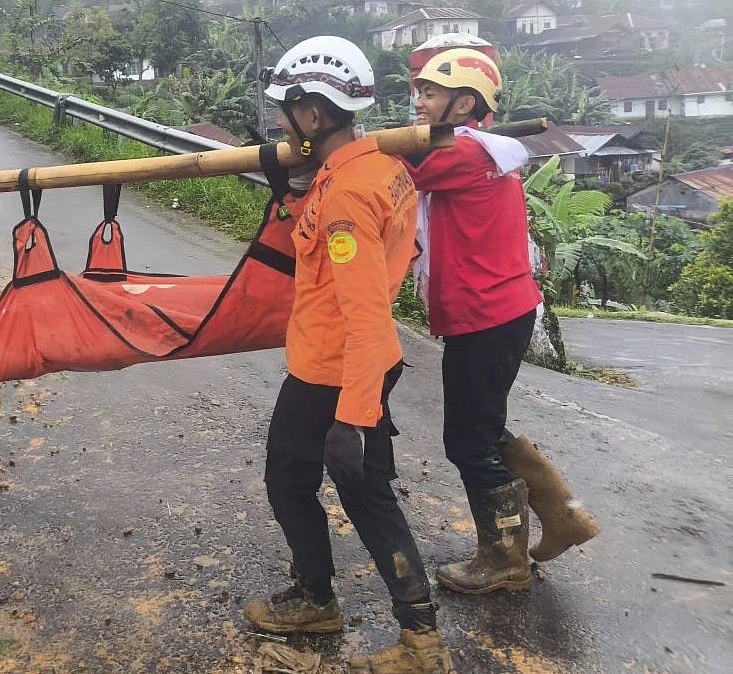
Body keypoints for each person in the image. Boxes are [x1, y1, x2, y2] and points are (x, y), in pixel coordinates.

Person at [244, 36, 453, 673]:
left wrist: (353, 417)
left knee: (336, 487)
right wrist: (290, 191)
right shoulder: (377, 169)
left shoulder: (347, 199)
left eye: (288, 108)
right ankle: (364, 613)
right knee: (328, 483)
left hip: (336, 369)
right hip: (345, 362)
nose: (280, 120)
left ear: (314, 116)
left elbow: (364, 313)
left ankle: (378, 626)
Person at [403, 49, 600, 594]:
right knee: (484, 429)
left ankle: (504, 557)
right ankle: (564, 515)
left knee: (468, 441)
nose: (419, 102)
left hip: (486, 315)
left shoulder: (464, 152)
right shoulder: (482, 149)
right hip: (497, 311)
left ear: (464, 104)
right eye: (418, 92)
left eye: (431, 94)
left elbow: (391, 170)